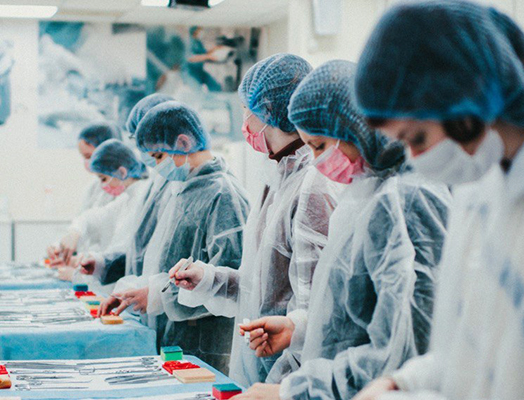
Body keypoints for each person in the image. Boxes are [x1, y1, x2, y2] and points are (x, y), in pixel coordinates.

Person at [352, 1, 524, 399]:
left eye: (417, 138)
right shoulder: (481, 184)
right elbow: (466, 344)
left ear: (466, 103)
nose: (415, 159)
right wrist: (402, 383)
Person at [235, 60, 451, 400]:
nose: (316, 160)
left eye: (319, 146)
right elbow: (354, 315)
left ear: (354, 127)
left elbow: (400, 352)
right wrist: (299, 328)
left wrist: (291, 391)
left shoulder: (405, 201)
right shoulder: (364, 194)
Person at [169, 53, 341, 386]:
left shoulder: (312, 186)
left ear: (269, 111)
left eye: (247, 110)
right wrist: (209, 279)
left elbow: (311, 316)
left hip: (284, 378)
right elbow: (262, 290)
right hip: (258, 371)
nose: (244, 121)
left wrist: (281, 389)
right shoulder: (276, 178)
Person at [99, 100, 250, 374]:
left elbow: (231, 283)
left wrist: (160, 296)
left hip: (206, 346)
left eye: (158, 156)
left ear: (182, 142)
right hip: (175, 336)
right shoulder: (182, 189)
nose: (156, 166)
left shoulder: (224, 194)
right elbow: (165, 262)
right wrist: (137, 292)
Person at [79, 93, 174, 286]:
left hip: (160, 295)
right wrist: (98, 263)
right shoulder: (154, 185)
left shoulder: (160, 188)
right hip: (141, 291)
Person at [56, 139, 151, 288]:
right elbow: (94, 217)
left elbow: (121, 256)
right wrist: (74, 233)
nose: (103, 185)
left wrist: (79, 275)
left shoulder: (141, 198)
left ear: (122, 172)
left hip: (126, 286)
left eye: (104, 179)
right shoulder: (127, 198)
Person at [47, 121, 122, 265]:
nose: (87, 162)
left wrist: (83, 261)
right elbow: (82, 224)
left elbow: (112, 238)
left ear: (108, 151)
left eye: (89, 156)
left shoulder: (127, 188)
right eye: (84, 157)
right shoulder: (94, 187)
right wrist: (62, 246)